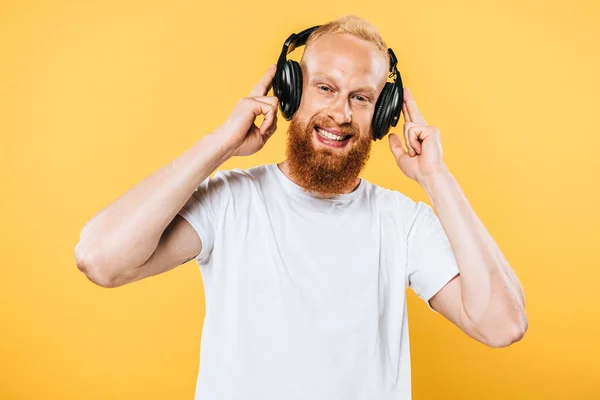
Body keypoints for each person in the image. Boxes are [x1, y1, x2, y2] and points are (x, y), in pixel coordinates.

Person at [75, 15, 527, 400]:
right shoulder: (232, 201)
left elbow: (503, 325)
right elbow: (101, 260)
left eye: (361, 97)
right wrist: (221, 144)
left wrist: (436, 177)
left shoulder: (402, 223)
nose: (341, 113)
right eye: (325, 88)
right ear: (290, 94)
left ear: (384, 112)